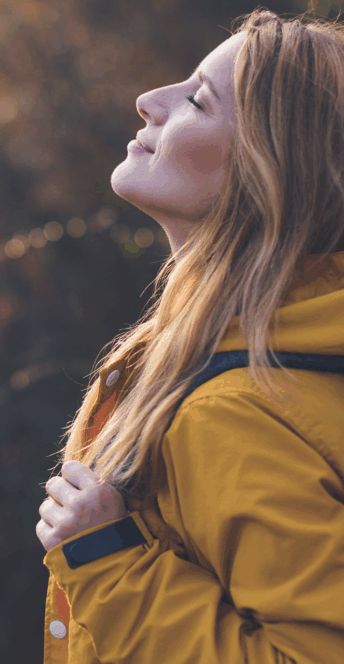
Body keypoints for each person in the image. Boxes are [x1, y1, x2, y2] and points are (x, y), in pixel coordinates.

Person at [36, 8, 344, 663]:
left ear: (268, 175)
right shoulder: (295, 354)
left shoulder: (231, 411)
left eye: (197, 102)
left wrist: (107, 565)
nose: (149, 101)